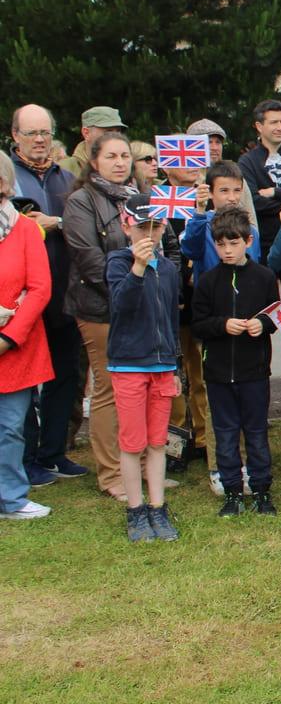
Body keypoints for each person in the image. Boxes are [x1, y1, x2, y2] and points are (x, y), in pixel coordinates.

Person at [64, 131, 181, 501]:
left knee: (147, 393)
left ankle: (148, 468)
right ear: (93, 161)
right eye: (111, 156)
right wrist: (128, 287)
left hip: (148, 307)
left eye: (125, 156)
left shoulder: (143, 199)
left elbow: (171, 248)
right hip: (102, 308)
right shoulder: (82, 201)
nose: (120, 163)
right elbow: (90, 259)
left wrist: (161, 282)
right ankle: (113, 472)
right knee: (111, 391)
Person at [9, 104, 87, 484]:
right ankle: (24, 459)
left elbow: (79, 224)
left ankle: (54, 452)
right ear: (15, 137)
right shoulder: (8, 177)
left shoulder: (67, 176)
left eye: (45, 133)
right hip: (19, 297)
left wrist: (53, 223)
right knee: (21, 380)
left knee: (64, 374)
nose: (40, 140)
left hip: (64, 290)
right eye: (31, 133)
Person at [190, 207, 279, 517]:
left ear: (248, 241)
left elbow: (276, 316)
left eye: (233, 243)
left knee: (256, 433)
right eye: (221, 244)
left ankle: (261, 490)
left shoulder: (264, 276)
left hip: (254, 371)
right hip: (217, 373)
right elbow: (198, 323)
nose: (227, 250)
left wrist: (262, 324)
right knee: (226, 434)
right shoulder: (207, 281)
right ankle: (232, 490)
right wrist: (222, 325)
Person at [107, 193, 182, 543]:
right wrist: (137, 269)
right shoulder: (117, 263)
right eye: (141, 228)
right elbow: (121, 306)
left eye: (155, 226)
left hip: (162, 365)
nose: (148, 235)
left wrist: (175, 365)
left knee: (157, 440)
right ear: (126, 228)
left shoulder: (168, 270)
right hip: (128, 365)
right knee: (132, 441)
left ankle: (157, 506)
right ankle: (135, 510)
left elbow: (170, 318)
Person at [0, 152, 55, 521]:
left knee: (9, 429)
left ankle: (11, 498)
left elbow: (40, 289)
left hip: (14, 348)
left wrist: (7, 337)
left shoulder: (24, 230)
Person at [237, 99, 281, 252]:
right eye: (274, 122)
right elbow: (252, 201)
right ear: (259, 126)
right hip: (263, 243)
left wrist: (275, 192)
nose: (280, 128)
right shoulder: (247, 161)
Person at [58, 106, 127, 178]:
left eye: (118, 131)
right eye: (108, 132)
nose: (115, 137)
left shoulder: (125, 168)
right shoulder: (64, 170)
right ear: (86, 133)